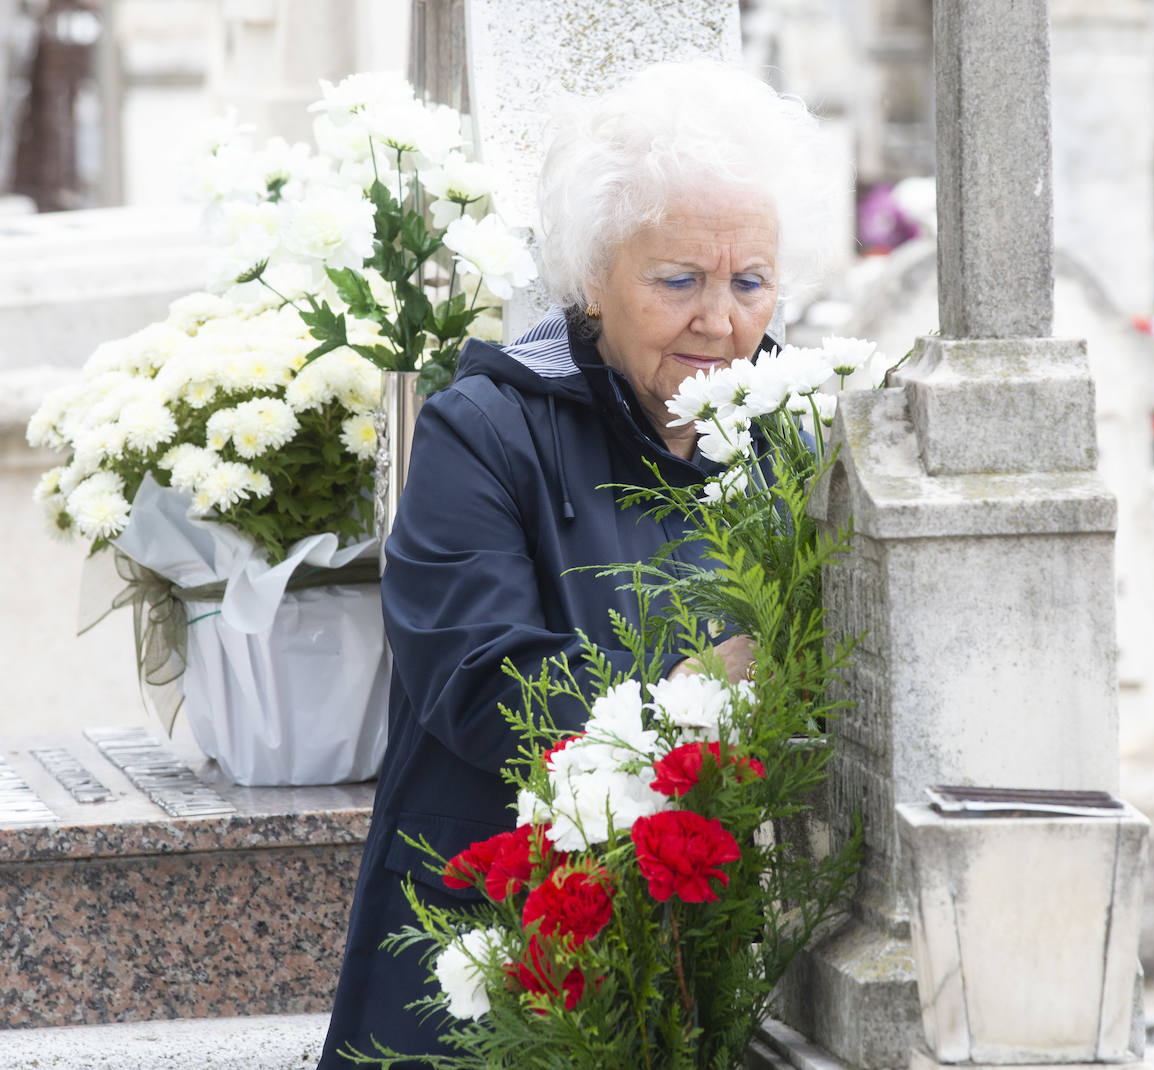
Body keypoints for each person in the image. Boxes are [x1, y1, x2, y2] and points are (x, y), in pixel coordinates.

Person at [317, 59, 839, 1067]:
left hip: (719, 953)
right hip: (503, 946)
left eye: (751, 281)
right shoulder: (486, 430)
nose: (721, 320)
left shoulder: (800, 436)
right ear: (593, 278)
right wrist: (695, 695)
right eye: (678, 279)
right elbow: (480, 681)